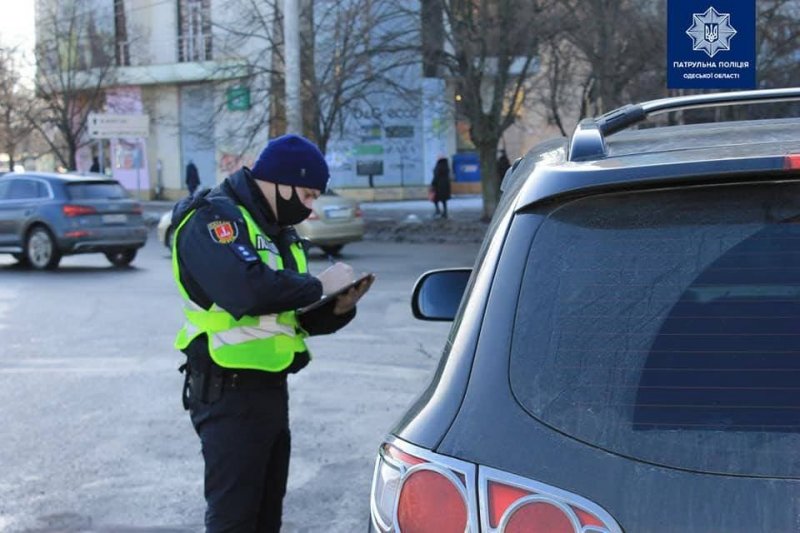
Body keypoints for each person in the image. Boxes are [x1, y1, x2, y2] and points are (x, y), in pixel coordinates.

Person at [171, 134, 373, 532]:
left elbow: (292, 317)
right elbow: (244, 291)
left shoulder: (279, 231)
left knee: (265, 518)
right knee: (234, 520)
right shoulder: (212, 218)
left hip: (268, 392)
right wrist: (319, 285)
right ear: (281, 181)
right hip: (227, 391)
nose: (310, 205)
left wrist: (338, 306)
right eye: (309, 194)